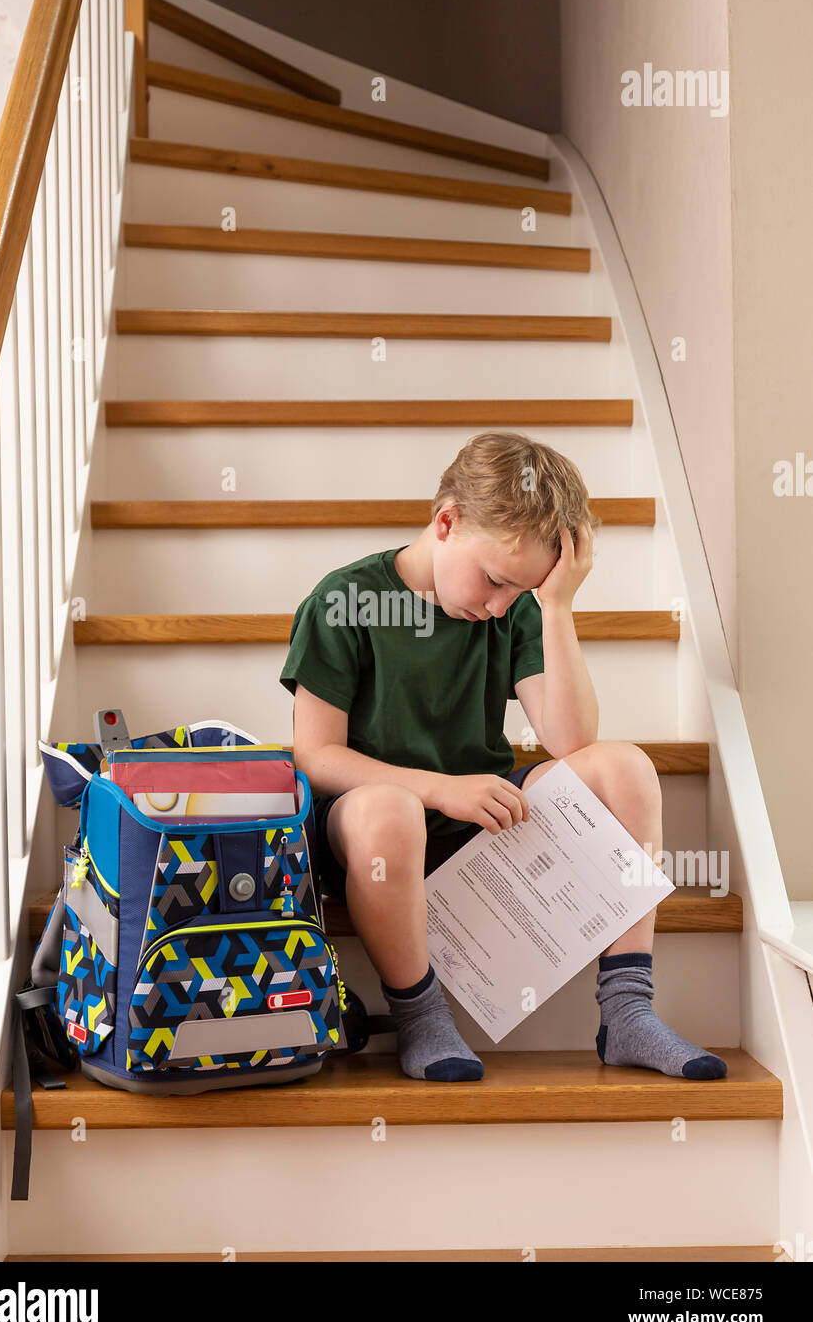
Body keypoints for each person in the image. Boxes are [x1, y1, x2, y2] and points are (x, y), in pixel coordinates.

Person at [279, 431, 727, 1084]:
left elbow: (571, 742)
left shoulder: (513, 609)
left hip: (479, 818)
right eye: (493, 579)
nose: (496, 605)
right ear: (445, 522)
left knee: (625, 767)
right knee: (390, 813)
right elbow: (315, 756)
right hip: (373, 827)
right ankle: (421, 1014)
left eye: (518, 591)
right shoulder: (344, 601)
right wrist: (439, 788)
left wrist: (556, 605)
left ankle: (627, 1009)